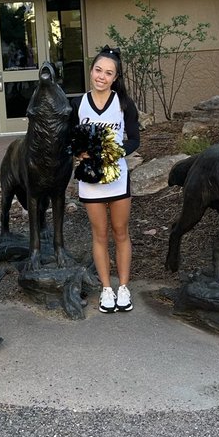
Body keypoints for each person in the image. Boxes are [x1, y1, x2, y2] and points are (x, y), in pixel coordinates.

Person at [73, 46, 140, 313]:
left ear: (115, 77)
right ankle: (106, 289)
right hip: (90, 179)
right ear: (91, 70)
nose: (101, 76)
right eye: (98, 70)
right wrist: (80, 151)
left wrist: (115, 152)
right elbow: (70, 140)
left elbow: (135, 139)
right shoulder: (77, 103)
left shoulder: (123, 103)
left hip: (118, 178)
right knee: (99, 235)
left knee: (121, 233)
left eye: (108, 73)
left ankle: (123, 287)